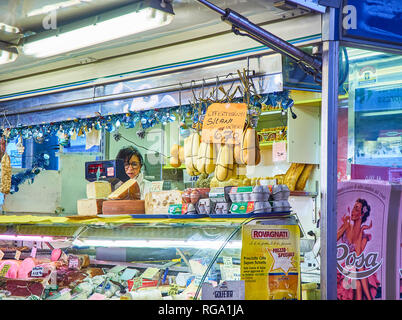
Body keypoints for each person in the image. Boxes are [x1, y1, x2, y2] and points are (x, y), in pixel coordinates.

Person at [336, 198, 379, 300]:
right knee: (358, 278)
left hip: (356, 267)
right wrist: (344, 227)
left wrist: (361, 230)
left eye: (356, 209)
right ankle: (369, 298)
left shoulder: (364, 237)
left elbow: (358, 254)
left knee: (359, 270)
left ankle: (368, 298)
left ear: (362, 214)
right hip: (346, 269)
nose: (352, 211)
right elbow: (331, 241)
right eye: (353, 208)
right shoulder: (347, 226)